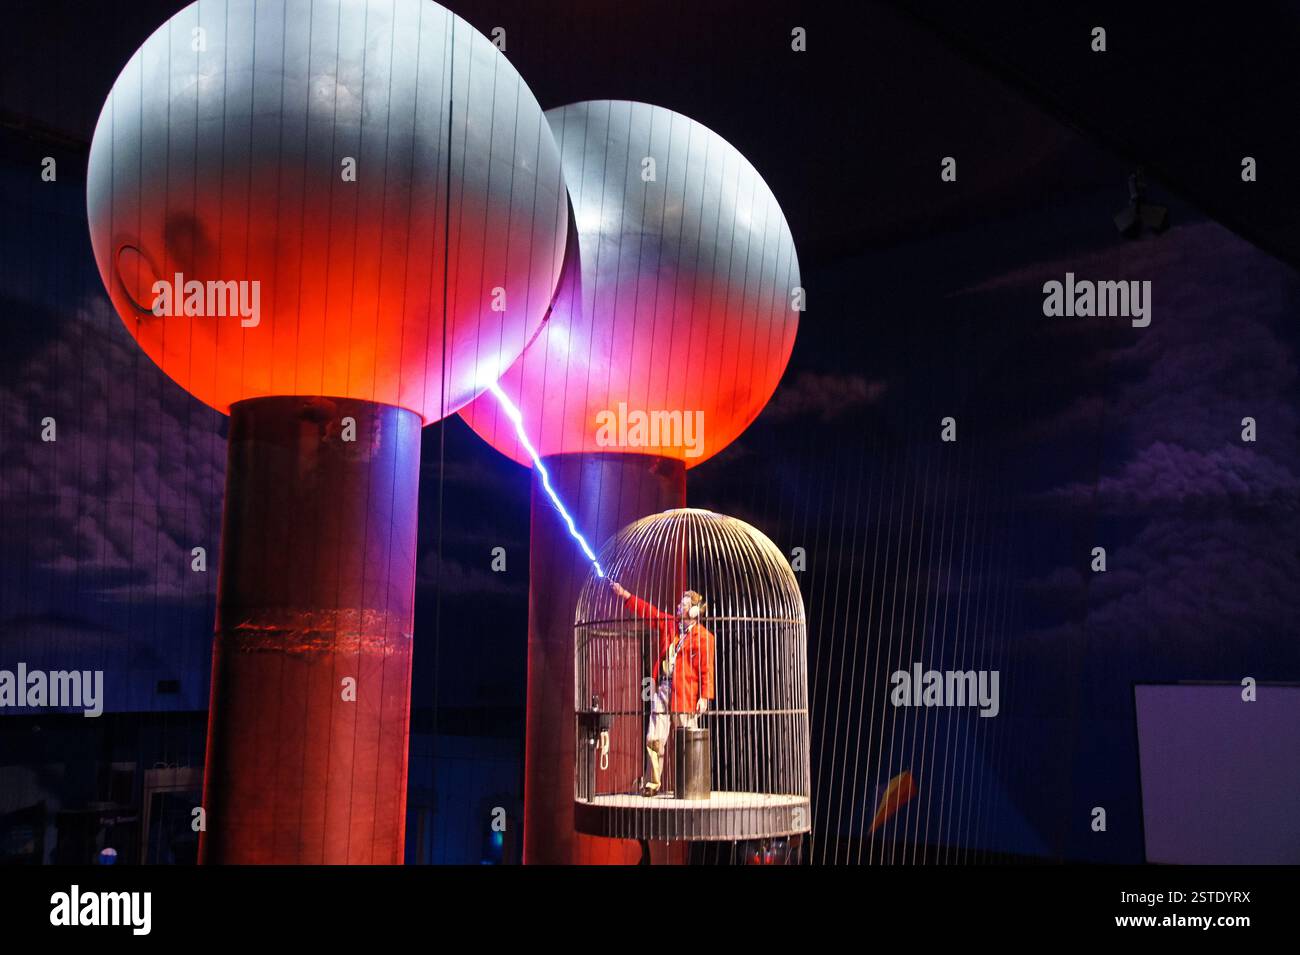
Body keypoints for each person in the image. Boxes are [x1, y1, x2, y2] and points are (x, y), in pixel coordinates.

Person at [609, 579, 715, 796]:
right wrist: (626, 595)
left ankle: (691, 784)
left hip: (686, 695)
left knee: (689, 740)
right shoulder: (671, 625)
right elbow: (650, 612)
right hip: (665, 690)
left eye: (683, 605)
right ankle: (652, 784)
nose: (678, 607)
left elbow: (707, 670)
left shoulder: (705, 638)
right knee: (653, 737)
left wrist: (704, 696)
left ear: (694, 611)